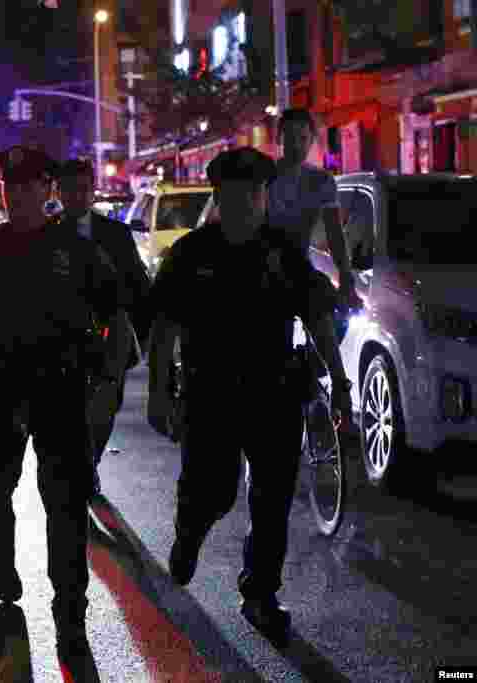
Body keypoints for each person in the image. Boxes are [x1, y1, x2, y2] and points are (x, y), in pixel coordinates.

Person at [146, 147, 353, 647]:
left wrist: (341, 383)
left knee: (272, 501)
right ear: (222, 197)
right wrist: (159, 392)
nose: (246, 202)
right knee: (211, 490)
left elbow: (318, 320)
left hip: (274, 394)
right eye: (236, 194)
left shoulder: (282, 252)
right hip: (209, 396)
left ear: (264, 198)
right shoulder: (192, 254)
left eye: (255, 193)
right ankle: (190, 532)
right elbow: (164, 328)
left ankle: (260, 594)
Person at [0, 145, 131, 663]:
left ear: (47, 190)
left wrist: (108, 383)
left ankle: (71, 617)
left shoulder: (77, 249)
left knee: (65, 507)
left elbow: (115, 315)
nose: (17, 195)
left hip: (63, 390)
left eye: (28, 186)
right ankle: (2, 566)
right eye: (9, 186)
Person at [55, 158, 153, 495]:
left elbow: (138, 284)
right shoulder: (47, 233)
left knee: (106, 407)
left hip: (111, 333)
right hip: (63, 339)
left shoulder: (115, 233)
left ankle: (90, 462)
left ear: (91, 191)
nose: (76, 196)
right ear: (59, 191)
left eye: (82, 189)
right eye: (69, 189)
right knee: (69, 411)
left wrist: (139, 334)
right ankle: (74, 467)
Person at [268, 108, 363, 312]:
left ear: (311, 141)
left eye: (302, 138)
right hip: (264, 272)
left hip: (301, 269)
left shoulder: (322, 180)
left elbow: (335, 232)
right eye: (290, 137)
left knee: (325, 328)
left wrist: (346, 278)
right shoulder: (264, 177)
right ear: (279, 138)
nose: (296, 145)